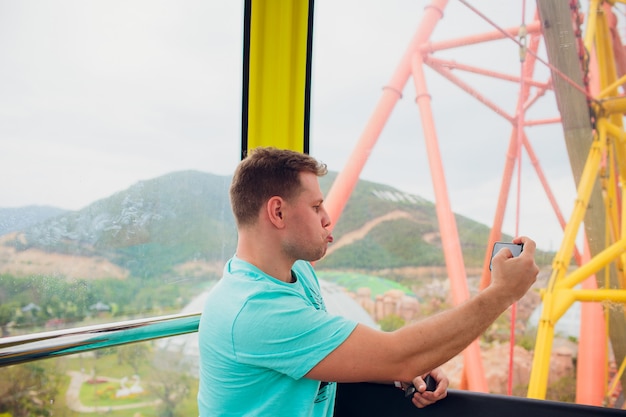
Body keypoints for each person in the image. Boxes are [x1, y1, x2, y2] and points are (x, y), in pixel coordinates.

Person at [197, 147, 539, 416]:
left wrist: (395, 369)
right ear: (278, 212)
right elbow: (399, 355)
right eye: (316, 206)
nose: (327, 218)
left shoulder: (299, 274)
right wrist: (503, 292)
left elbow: (324, 357)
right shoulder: (254, 310)